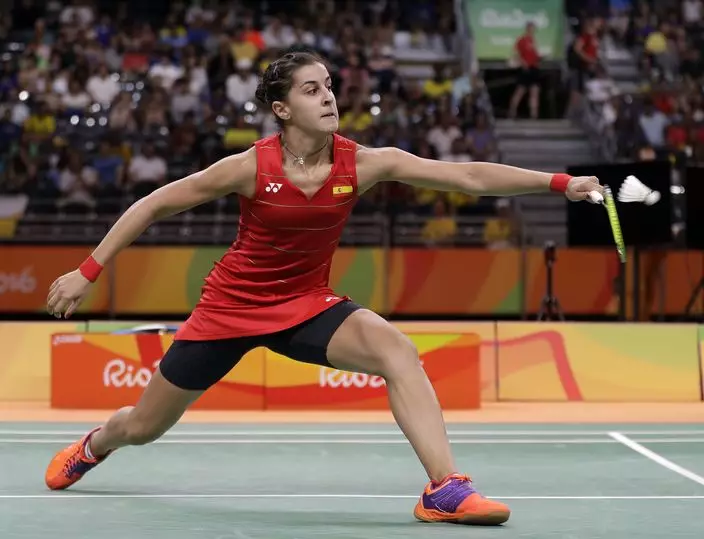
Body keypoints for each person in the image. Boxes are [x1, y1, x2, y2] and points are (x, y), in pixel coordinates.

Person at [44, 49, 603, 526]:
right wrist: (87, 271)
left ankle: (444, 489)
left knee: (397, 351)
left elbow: (468, 176)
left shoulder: (363, 163)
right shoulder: (249, 167)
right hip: (230, 309)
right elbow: (153, 204)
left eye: (330, 86)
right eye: (312, 90)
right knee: (144, 427)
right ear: (283, 109)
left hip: (305, 303)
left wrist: (560, 183)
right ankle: (95, 445)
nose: (329, 97)